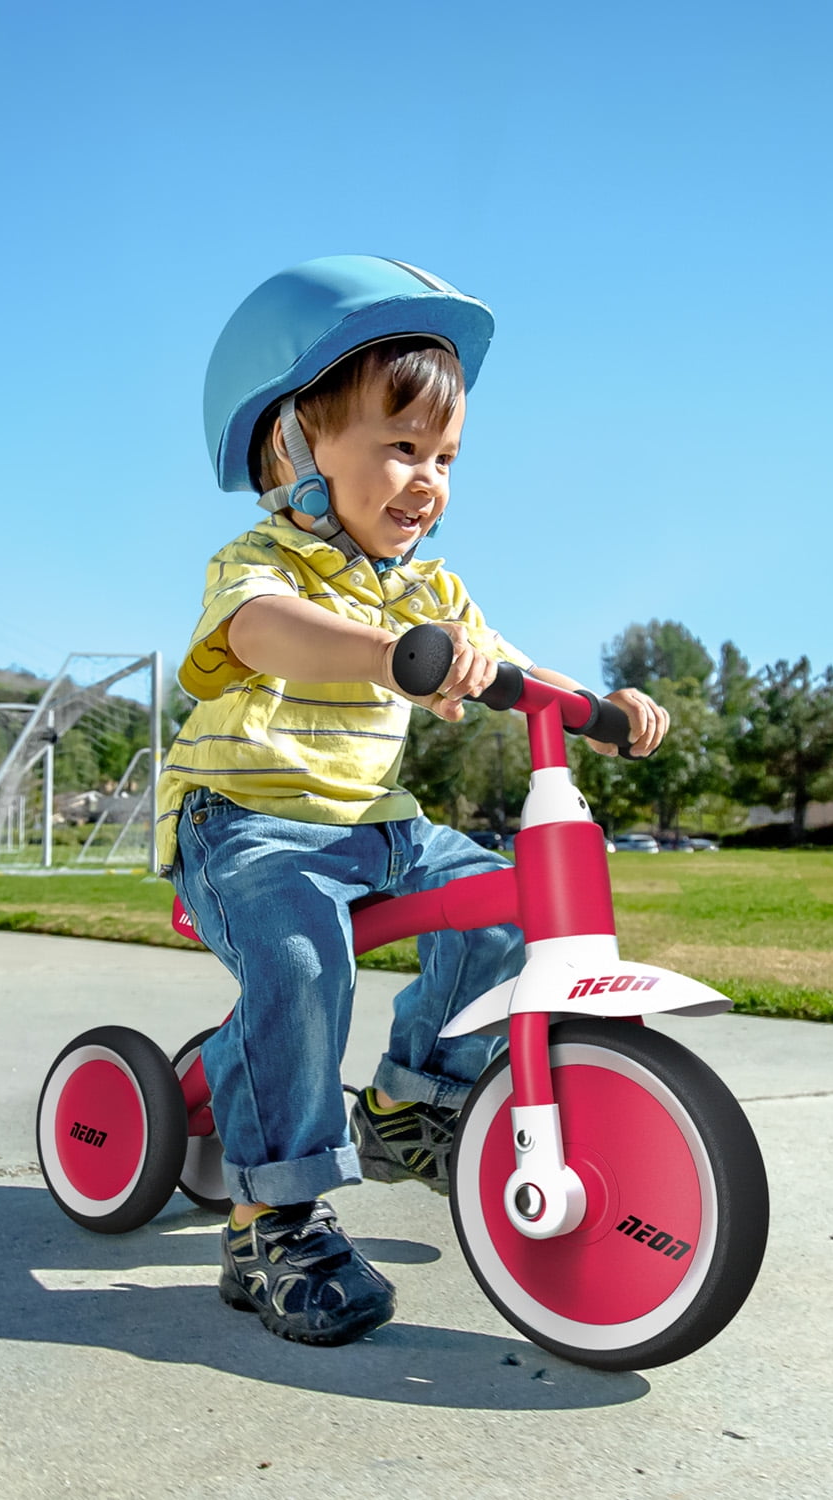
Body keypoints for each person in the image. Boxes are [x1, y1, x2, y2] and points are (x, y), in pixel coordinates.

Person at [158, 256, 669, 1347]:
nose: (427, 479)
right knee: (298, 962)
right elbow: (262, 634)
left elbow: (511, 664)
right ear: (294, 445)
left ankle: (411, 1099)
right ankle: (270, 1219)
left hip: (372, 827)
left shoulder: (436, 590)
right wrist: (390, 656)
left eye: (444, 456)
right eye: (399, 447)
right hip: (242, 823)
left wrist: (598, 706)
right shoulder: (259, 562)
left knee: (508, 898)